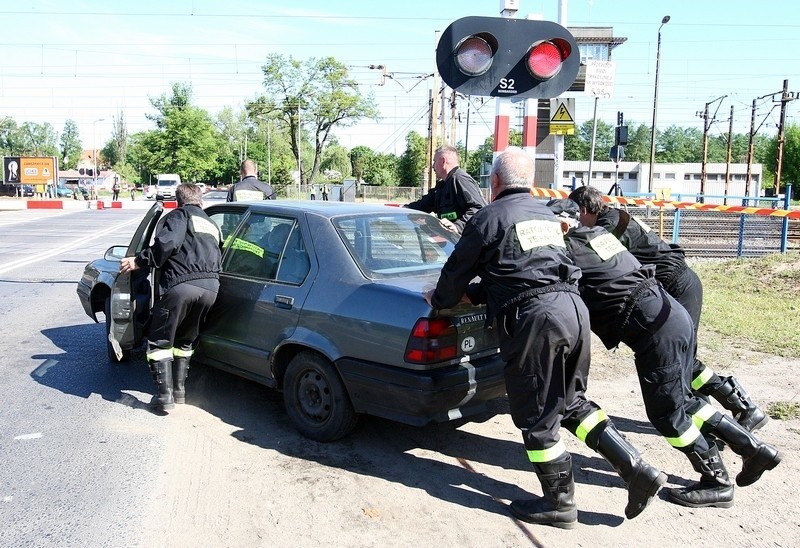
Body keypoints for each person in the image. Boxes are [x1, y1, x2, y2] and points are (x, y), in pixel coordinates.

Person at [424, 148, 665, 528]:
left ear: (495, 182)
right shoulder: (546, 214)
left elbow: (454, 278)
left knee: (536, 416)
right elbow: (522, 268)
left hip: (536, 321)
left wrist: (438, 301)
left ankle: (559, 503)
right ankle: (636, 469)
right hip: (574, 311)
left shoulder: (489, 218)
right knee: (570, 404)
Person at [547, 198, 782, 509]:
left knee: (667, 414)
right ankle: (754, 450)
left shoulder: (568, 252)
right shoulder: (597, 236)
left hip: (653, 331)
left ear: (562, 225)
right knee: (685, 399)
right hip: (672, 314)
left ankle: (717, 481)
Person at [568, 185, 767, 434]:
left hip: (677, 284)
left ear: (585, 209)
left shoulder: (606, 226)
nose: (576, 223)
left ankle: (739, 410)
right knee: (680, 359)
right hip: (673, 284)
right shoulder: (614, 215)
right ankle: (716, 415)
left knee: (679, 359)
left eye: (576, 216)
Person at [119, 183, 222, 411]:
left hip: (181, 286)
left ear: (178, 201)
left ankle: (164, 397)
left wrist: (139, 261)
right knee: (185, 341)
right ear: (200, 201)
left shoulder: (179, 216)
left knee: (161, 342)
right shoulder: (212, 224)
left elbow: (167, 244)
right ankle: (180, 392)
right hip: (211, 288)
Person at [406, 144, 486, 234]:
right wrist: (404, 209)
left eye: (435, 161)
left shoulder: (460, 179)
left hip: (466, 242)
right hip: (452, 241)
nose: (433, 166)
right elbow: (424, 205)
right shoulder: (442, 186)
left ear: (443, 161)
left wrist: (458, 226)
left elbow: (479, 209)